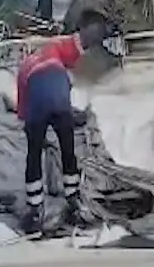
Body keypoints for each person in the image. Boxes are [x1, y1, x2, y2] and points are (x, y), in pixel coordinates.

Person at [16, 20, 110, 233]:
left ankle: (35, 209)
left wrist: (33, 130)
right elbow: (79, 42)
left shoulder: (23, 69)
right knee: (68, 151)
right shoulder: (54, 49)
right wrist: (102, 31)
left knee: (33, 155)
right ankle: (74, 201)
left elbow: (22, 110)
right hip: (60, 98)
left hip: (37, 102)